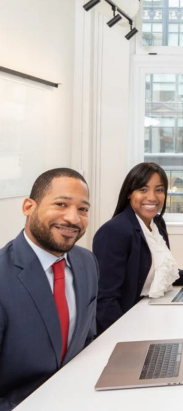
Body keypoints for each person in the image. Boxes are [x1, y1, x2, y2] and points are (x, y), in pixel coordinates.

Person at [94, 163, 183, 333]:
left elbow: (163, 272)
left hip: (148, 312)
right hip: (127, 323)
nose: (152, 197)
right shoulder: (114, 231)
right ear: (129, 193)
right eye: (143, 189)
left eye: (159, 190)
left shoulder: (157, 224)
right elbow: (105, 300)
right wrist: (123, 337)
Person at [0, 169, 98, 410]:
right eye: (61, 204)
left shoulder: (87, 262)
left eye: (83, 209)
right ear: (28, 207)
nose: (73, 219)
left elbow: (88, 339)